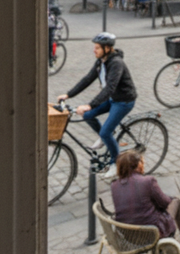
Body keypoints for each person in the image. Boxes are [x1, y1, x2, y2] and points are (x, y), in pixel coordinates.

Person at [57, 32, 137, 179]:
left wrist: (90, 104)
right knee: (87, 115)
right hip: (113, 99)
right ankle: (107, 135)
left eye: (97, 47)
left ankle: (115, 163)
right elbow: (87, 79)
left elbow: (110, 88)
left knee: (105, 132)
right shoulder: (101, 61)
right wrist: (68, 94)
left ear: (107, 48)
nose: (94, 50)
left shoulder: (116, 63)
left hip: (124, 101)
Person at [110, 150, 180, 249]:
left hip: (129, 236)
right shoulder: (147, 181)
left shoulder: (114, 185)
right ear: (139, 165)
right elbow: (165, 202)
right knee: (176, 202)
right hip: (151, 234)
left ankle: (165, 248)